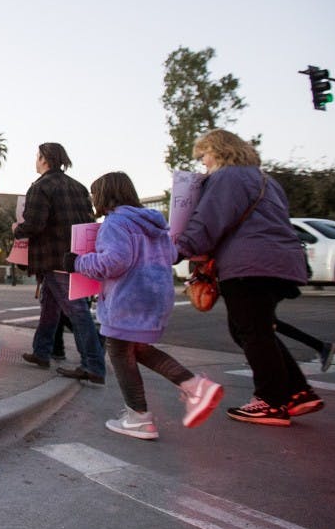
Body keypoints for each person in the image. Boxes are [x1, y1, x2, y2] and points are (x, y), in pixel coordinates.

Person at [177, 129, 322, 426]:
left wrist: (177, 249)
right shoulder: (266, 180)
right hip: (282, 261)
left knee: (252, 331)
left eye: (204, 155)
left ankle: (270, 401)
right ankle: (296, 393)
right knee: (254, 328)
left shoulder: (225, 178)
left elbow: (209, 221)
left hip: (249, 264)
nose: (203, 163)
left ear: (217, 151)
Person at [64, 172, 223, 440]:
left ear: (105, 195)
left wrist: (77, 263)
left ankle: (139, 416)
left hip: (127, 298)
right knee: (138, 350)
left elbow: (113, 262)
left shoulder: (115, 223)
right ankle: (191, 387)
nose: (93, 200)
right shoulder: (156, 224)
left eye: (95, 194)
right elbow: (172, 255)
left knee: (118, 352)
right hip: (155, 297)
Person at [14, 142, 106, 384]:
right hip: (78, 257)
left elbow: (34, 224)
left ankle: (93, 365)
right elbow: (90, 219)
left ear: (45, 159)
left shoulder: (41, 187)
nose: (35, 160)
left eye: (37, 156)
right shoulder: (79, 187)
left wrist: (17, 230)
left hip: (52, 256)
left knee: (77, 312)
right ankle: (42, 351)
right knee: (50, 306)